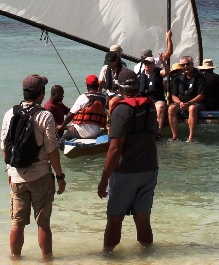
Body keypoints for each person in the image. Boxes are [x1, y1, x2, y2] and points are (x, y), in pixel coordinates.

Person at [0, 74, 66, 260]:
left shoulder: (10, 113)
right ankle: (47, 260)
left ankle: (15, 260)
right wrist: (60, 176)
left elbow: (5, 147)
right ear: (41, 94)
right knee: (43, 223)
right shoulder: (45, 116)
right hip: (40, 176)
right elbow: (52, 150)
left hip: (17, 176)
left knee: (17, 224)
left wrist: (10, 172)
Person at [97, 69, 158, 252]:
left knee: (115, 218)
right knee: (143, 217)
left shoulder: (121, 111)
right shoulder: (150, 106)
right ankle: (148, 256)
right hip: (149, 169)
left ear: (119, 87)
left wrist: (104, 180)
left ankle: (108, 257)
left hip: (125, 171)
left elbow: (115, 149)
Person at [57, 75, 107, 140]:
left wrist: (62, 126)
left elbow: (70, 114)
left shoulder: (83, 97)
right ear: (98, 85)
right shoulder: (104, 98)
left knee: (61, 141)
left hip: (80, 131)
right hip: (96, 132)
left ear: (87, 86)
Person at [168, 56, 205, 142]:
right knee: (171, 108)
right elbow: (174, 95)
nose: (185, 67)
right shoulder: (178, 79)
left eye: (187, 64)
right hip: (181, 103)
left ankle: (190, 138)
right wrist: (180, 103)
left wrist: (188, 103)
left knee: (192, 108)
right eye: (183, 65)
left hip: (195, 103)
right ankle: (175, 136)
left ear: (192, 64)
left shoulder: (200, 77)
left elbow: (201, 95)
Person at [138, 55, 169, 141]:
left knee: (160, 107)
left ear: (153, 64)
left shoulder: (158, 72)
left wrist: (163, 63)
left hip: (157, 99)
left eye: (149, 63)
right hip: (145, 100)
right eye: (145, 63)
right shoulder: (141, 75)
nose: (147, 65)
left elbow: (166, 72)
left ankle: (158, 133)